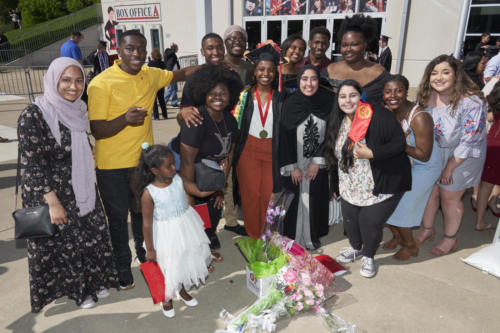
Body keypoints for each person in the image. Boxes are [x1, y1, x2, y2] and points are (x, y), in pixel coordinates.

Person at [87, 30, 198, 290]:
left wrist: (212, 65)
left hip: (141, 164)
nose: (136, 54)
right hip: (111, 167)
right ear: (119, 49)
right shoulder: (101, 83)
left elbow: (180, 74)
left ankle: (145, 258)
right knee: (117, 220)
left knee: (142, 214)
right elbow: (97, 130)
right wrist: (124, 119)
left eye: (141, 49)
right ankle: (123, 268)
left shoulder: (151, 74)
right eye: (130, 49)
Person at [17, 57, 118, 312]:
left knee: (92, 234)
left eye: (78, 80)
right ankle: (78, 291)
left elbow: (75, 140)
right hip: (50, 189)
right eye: (66, 80)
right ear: (53, 80)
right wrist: (52, 202)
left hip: (80, 182)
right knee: (67, 244)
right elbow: (33, 164)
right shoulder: (34, 114)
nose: (73, 86)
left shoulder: (78, 109)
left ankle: (96, 281)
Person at [325, 80, 411, 278]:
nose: (348, 100)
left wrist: (373, 153)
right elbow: (333, 156)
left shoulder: (379, 116)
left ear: (361, 96)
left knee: (368, 222)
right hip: (350, 185)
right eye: (342, 96)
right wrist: (335, 184)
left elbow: (399, 144)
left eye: (352, 95)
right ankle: (356, 248)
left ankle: (369, 256)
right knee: (350, 222)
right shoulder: (337, 119)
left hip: (379, 184)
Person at [175, 33, 247, 236]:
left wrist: (222, 170)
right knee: (198, 199)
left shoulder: (230, 75)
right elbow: (184, 114)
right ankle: (200, 235)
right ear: (202, 51)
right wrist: (184, 114)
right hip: (198, 144)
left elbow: (229, 106)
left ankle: (212, 232)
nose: (215, 52)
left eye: (218, 47)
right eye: (210, 48)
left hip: (222, 139)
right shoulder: (195, 78)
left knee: (220, 193)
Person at [415, 55, 487, 255]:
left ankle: (450, 238)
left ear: (456, 75)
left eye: (445, 72)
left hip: (463, 155)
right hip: (435, 152)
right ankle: (428, 230)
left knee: (449, 196)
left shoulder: (471, 101)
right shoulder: (423, 97)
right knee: (429, 192)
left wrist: (449, 167)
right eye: (434, 73)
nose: (439, 77)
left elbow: (469, 140)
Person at [138, 144, 212, 318]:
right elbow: (147, 224)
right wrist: (150, 249)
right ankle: (167, 298)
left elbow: (197, 191)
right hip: (165, 233)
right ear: (155, 170)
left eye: (173, 163)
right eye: (169, 166)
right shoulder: (149, 194)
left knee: (185, 258)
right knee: (168, 264)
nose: (174, 167)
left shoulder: (178, 179)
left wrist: (214, 186)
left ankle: (183, 289)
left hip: (185, 226)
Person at [178, 64, 242, 260]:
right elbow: (187, 162)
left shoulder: (230, 121)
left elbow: (230, 151)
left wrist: (220, 184)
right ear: (204, 95)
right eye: (212, 94)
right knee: (193, 225)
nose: (218, 98)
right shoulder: (197, 120)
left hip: (212, 180)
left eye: (223, 94)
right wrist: (190, 196)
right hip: (194, 180)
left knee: (212, 218)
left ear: (230, 96)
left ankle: (208, 241)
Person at [382, 75, 443, 260]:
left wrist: (397, 143)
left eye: (398, 90)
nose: (393, 95)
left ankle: (410, 245)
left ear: (406, 92)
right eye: (388, 91)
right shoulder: (390, 110)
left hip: (426, 166)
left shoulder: (420, 117)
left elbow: (424, 155)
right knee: (385, 201)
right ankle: (398, 237)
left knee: (402, 205)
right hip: (406, 160)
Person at [232, 45, 284, 240]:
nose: (266, 73)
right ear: (254, 71)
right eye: (261, 69)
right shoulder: (243, 96)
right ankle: (254, 235)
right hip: (249, 150)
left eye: (270, 69)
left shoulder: (280, 98)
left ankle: (268, 234)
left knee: (268, 195)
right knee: (251, 194)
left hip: (272, 150)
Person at [279, 65, 333, 250]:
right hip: (295, 162)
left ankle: (311, 237)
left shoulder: (327, 102)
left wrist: (317, 162)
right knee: (294, 200)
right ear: (299, 80)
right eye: (304, 79)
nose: (309, 83)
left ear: (318, 81)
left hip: (316, 164)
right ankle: (292, 237)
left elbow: (331, 135)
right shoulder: (290, 103)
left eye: (313, 79)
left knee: (314, 199)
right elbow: (283, 136)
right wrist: (292, 166)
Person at [322, 14, 390, 105]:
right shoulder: (328, 71)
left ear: (365, 44)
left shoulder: (380, 75)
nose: (348, 49)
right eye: (344, 45)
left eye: (354, 44)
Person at [474, 80, 500, 231]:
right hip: (497, 146)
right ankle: (480, 221)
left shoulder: (495, 94)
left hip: (491, 141)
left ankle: (480, 221)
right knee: (488, 184)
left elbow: (490, 117)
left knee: (485, 184)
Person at [148, 48, 168, 120]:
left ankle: (156, 116)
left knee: (154, 102)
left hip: (153, 84)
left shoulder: (150, 63)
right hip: (161, 83)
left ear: (152, 55)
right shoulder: (162, 63)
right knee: (162, 100)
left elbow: (148, 74)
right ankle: (165, 115)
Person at [164, 42, 180, 107]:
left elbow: (176, 63)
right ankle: (163, 102)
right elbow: (169, 54)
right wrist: (173, 47)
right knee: (170, 89)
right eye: (177, 48)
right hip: (170, 73)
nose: (177, 49)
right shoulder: (168, 51)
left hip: (175, 74)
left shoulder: (173, 54)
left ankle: (174, 103)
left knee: (174, 89)